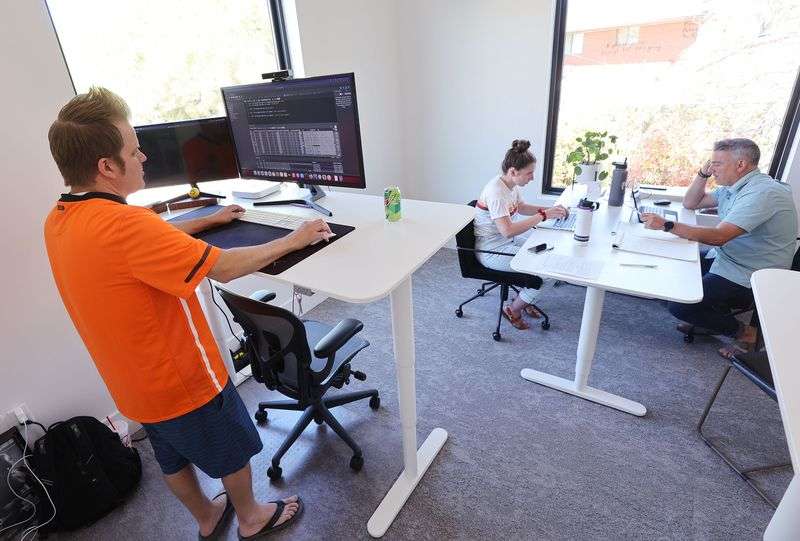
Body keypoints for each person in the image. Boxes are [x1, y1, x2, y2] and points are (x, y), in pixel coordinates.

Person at [44, 87, 330, 540]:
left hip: (132, 383)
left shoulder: (61, 219)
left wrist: (207, 220)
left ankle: (206, 517)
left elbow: (145, 241)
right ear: (106, 167)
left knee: (172, 456)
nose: (143, 157)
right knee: (231, 449)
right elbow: (225, 268)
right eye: (134, 150)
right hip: (182, 378)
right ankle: (252, 517)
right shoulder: (127, 225)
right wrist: (295, 238)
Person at [640, 138, 797, 357]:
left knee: (680, 304)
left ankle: (747, 333)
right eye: (711, 163)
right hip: (727, 258)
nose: (712, 168)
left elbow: (719, 237)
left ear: (740, 165)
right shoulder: (734, 187)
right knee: (666, 276)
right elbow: (690, 203)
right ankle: (710, 318)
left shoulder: (763, 193)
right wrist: (702, 174)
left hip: (751, 273)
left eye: (717, 163)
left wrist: (667, 225)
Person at [473, 139, 568, 330]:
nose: (532, 178)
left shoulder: (509, 185)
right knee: (548, 272)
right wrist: (543, 216)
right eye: (529, 173)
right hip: (492, 251)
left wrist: (551, 210)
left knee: (548, 251)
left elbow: (522, 207)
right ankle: (513, 309)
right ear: (513, 171)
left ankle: (525, 298)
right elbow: (507, 231)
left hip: (507, 242)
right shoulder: (496, 192)